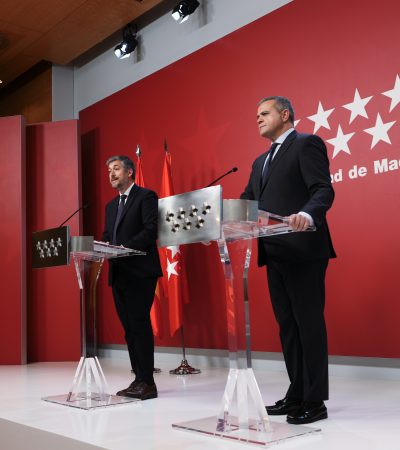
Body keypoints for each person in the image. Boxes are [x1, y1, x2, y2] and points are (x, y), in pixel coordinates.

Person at [241, 96, 336, 424]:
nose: (258, 118)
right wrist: (221, 219)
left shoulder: (306, 144)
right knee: (288, 327)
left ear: (285, 114)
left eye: (264, 113)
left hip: (304, 249)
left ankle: (315, 400)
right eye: (256, 115)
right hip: (274, 252)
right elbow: (246, 202)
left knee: (308, 324)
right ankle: (296, 394)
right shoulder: (259, 162)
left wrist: (307, 215)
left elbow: (323, 190)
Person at [102, 155, 162, 400]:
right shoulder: (110, 206)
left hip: (140, 271)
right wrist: (104, 248)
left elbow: (150, 230)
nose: (111, 174)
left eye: (116, 169)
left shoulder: (146, 196)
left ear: (129, 172)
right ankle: (138, 379)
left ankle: (148, 382)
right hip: (119, 273)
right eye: (109, 170)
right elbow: (107, 235)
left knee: (139, 324)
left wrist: (123, 248)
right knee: (128, 329)